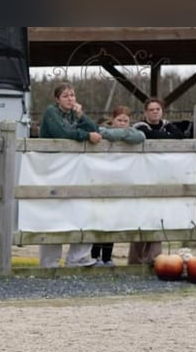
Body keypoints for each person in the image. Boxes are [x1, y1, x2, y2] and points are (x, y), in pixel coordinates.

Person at [37, 82, 101, 268]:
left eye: (72, 95)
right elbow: (61, 132)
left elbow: (94, 129)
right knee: (53, 214)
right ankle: (49, 262)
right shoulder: (51, 112)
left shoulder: (75, 113)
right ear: (57, 99)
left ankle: (78, 257)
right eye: (65, 96)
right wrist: (85, 136)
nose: (70, 99)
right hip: (53, 167)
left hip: (74, 169)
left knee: (81, 209)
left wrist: (81, 115)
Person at [127, 98, 184, 265]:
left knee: (158, 217)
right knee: (139, 218)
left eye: (157, 109)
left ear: (162, 111)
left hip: (162, 178)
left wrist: (165, 136)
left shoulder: (167, 125)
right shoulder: (139, 127)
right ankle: (135, 260)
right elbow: (149, 135)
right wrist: (166, 137)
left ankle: (154, 258)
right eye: (151, 109)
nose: (155, 112)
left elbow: (179, 136)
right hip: (141, 177)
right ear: (145, 112)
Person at [91, 106, 146, 266]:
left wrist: (123, 133)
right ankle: (94, 255)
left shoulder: (132, 135)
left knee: (113, 220)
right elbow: (103, 133)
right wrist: (122, 133)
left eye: (126, 121)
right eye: (119, 120)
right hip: (101, 179)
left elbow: (140, 137)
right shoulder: (102, 132)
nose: (122, 123)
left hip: (120, 180)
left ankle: (107, 257)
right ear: (112, 120)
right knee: (98, 221)